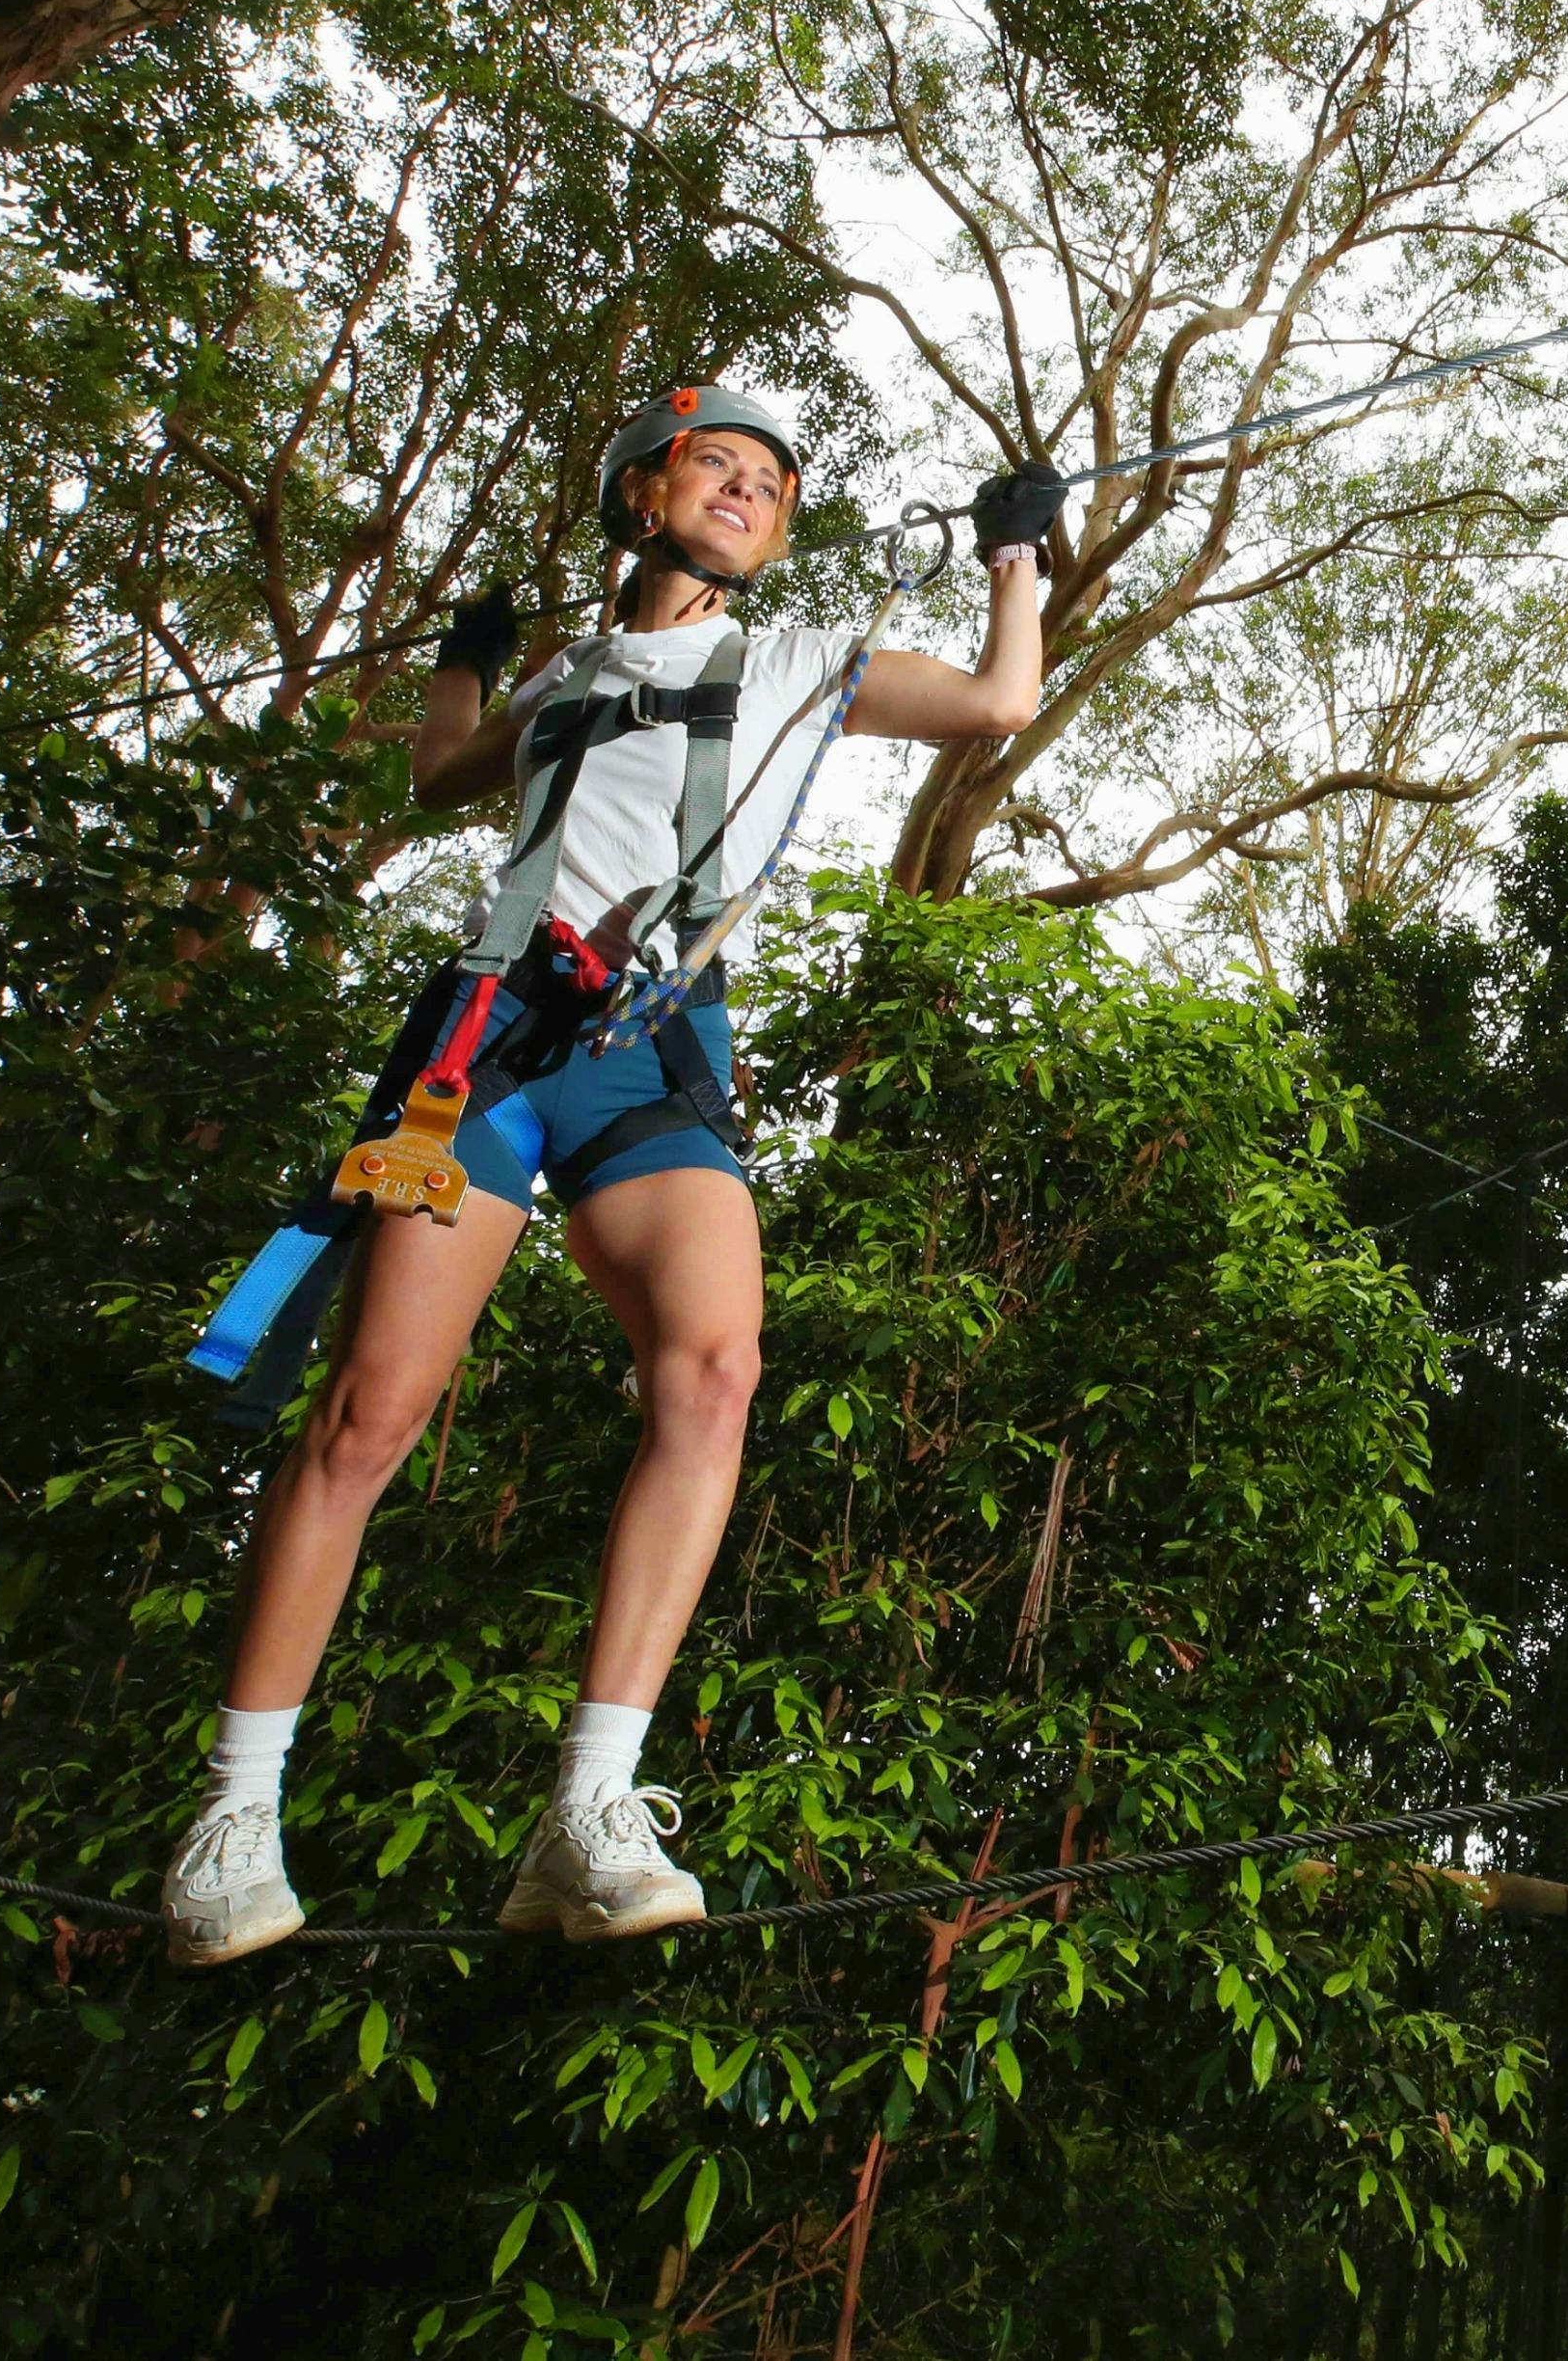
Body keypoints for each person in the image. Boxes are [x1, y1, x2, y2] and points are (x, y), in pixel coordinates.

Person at [161, 384, 1063, 1965]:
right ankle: (232, 1819)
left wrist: (1018, 561)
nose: (751, 488)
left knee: (714, 1373)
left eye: (774, 482)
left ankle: (589, 1808)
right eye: (720, 463)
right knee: (370, 1412)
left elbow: (998, 702)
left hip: (654, 1053)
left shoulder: (791, 664)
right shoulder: (571, 675)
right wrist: (465, 655)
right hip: (485, 1055)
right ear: (641, 494)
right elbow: (441, 775)